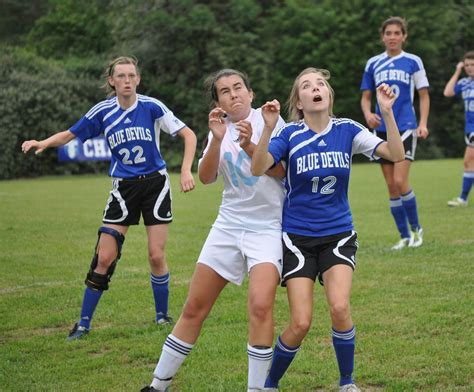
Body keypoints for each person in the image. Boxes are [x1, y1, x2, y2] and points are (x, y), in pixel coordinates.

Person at [21, 56, 197, 340]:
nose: (127, 80)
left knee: (156, 255)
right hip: (123, 188)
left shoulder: (152, 107)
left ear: (138, 79)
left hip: (155, 185)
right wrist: (43, 142)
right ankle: (83, 323)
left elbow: (188, 134)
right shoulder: (103, 111)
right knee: (104, 257)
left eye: (131, 75)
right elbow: (70, 134)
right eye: (121, 76)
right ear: (112, 81)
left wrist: (186, 170)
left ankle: (162, 317)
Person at [251, 68, 405, 392]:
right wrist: (266, 130)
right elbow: (258, 166)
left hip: (338, 234)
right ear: (300, 101)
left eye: (320, 84)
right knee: (300, 322)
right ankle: (270, 384)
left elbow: (396, 154)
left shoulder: (347, 129)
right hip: (298, 239)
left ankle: (347, 383)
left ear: (328, 95)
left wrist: (387, 114)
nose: (315, 88)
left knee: (339, 307)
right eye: (306, 86)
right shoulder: (290, 134)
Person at [141, 69, 286, 392]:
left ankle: (257, 389)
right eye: (224, 91)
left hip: (267, 228)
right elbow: (206, 177)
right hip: (229, 225)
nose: (233, 94)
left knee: (261, 305)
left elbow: (278, 171)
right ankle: (157, 384)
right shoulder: (219, 130)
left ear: (250, 93)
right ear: (218, 101)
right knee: (194, 306)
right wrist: (218, 140)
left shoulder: (272, 122)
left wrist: (251, 143)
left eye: (238, 88)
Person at [360, 16, 430, 250]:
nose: (392, 37)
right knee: (391, 186)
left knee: (401, 181)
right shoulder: (373, 63)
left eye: (396, 33)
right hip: (381, 129)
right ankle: (404, 236)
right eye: (388, 33)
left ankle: (417, 230)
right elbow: (366, 96)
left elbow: (424, 95)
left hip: (406, 127)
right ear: (383, 36)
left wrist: (423, 123)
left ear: (404, 36)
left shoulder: (413, 61)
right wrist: (368, 113)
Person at [443, 50, 474, 207]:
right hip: (469, 129)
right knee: (469, 162)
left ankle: (463, 198)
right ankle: (463, 198)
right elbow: (447, 92)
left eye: (472, 65)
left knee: (469, 161)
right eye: (467, 65)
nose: (469, 68)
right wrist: (457, 71)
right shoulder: (464, 83)